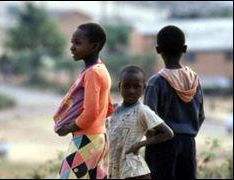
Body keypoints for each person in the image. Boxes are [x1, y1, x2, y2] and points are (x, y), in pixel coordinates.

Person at [144, 25, 205, 179]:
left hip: (161, 145)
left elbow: (148, 120)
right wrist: (188, 133)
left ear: (157, 50)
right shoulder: (194, 80)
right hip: (188, 144)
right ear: (184, 49)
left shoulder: (155, 82)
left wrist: (149, 141)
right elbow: (201, 116)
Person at [53, 23, 114, 179]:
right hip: (100, 137)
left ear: (94, 46)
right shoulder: (101, 69)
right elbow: (108, 108)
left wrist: (68, 127)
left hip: (88, 137)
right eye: (72, 42)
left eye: (77, 43)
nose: (72, 47)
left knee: (66, 176)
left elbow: (91, 112)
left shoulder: (92, 73)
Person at [107, 65, 174, 179]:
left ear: (144, 88)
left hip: (134, 170)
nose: (131, 91)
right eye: (126, 86)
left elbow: (168, 133)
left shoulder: (142, 111)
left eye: (137, 87)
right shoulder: (114, 110)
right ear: (119, 86)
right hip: (115, 167)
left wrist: (140, 144)